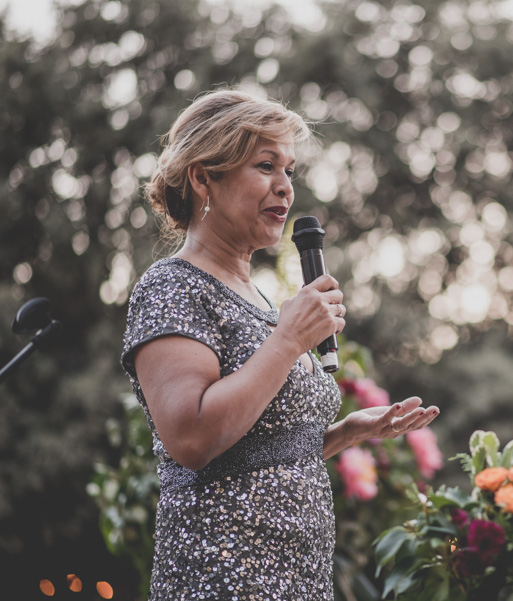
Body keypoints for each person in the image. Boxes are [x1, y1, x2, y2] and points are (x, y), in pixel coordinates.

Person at [121, 90, 439, 600]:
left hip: (298, 577)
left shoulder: (259, 298)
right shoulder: (172, 287)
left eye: (290, 171)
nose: (285, 188)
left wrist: (345, 433)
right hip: (222, 574)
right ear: (204, 177)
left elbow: (252, 445)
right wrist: (289, 339)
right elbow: (193, 439)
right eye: (266, 166)